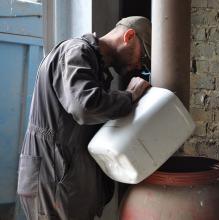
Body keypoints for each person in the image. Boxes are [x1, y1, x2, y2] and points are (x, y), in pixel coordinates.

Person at [17, 16, 151, 220]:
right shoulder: (75, 52)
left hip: (60, 181)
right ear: (129, 36)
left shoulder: (93, 64)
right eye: (142, 58)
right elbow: (85, 107)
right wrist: (129, 96)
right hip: (52, 182)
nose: (138, 66)